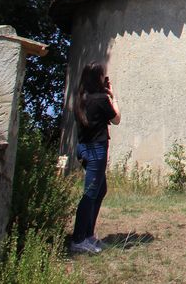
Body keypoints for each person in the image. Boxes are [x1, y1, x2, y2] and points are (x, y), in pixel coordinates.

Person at [70, 62, 121, 255]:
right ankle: (78, 239)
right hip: (96, 151)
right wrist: (113, 97)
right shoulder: (101, 99)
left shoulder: (80, 99)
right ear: (97, 78)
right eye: (102, 76)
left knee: (100, 191)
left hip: (83, 149)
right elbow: (116, 119)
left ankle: (88, 235)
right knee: (90, 194)